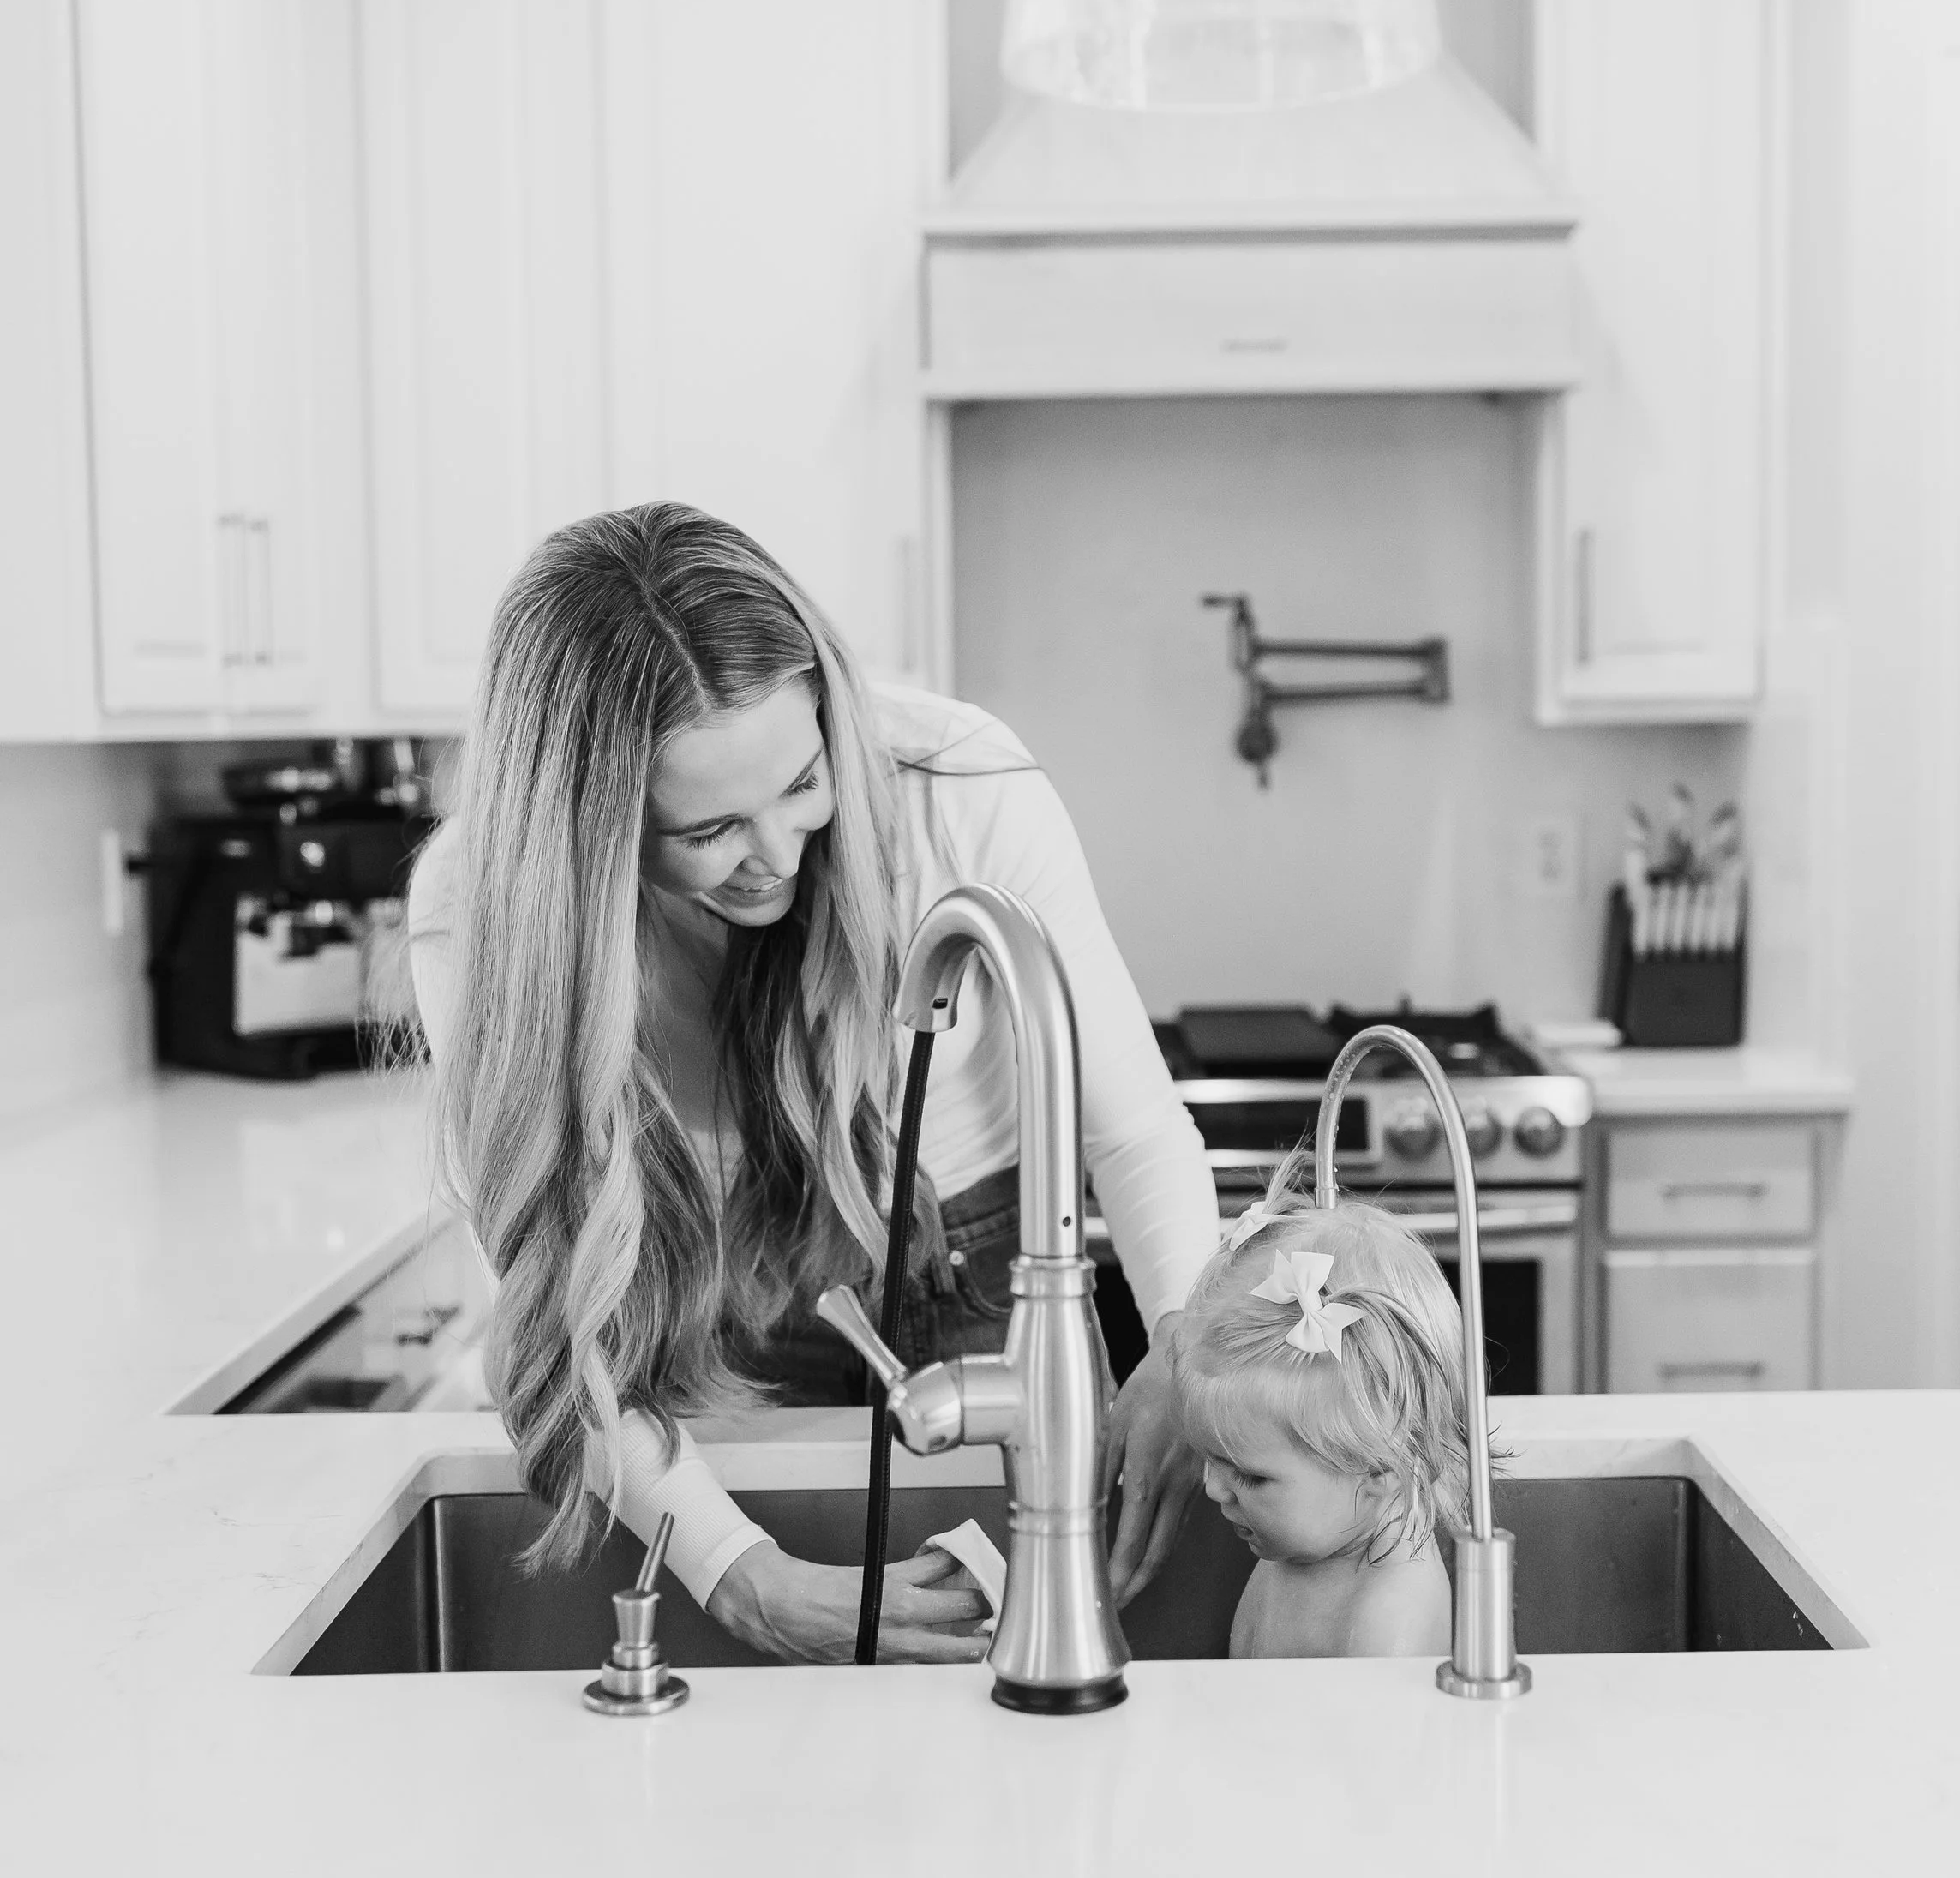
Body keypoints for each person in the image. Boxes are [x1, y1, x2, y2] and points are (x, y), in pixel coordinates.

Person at [405, 503, 1220, 1665]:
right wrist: (740, 1578)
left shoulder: (960, 786)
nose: (782, 854)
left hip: (986, 1270)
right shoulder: (476, 915)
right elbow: (564, 1317)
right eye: (713, 827)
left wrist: (1182, 1343)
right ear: (589, 834)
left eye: (803, 781)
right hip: (710, 1313)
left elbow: (1133, 1129)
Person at [1173, 1182, 1473, 1659]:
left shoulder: (1390, 1617)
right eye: (1211, 1459)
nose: (1214, 1489)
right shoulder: (1305, 1538)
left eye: (1250, 1476)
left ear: (1377, 1468)